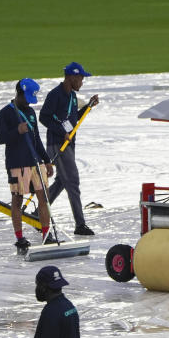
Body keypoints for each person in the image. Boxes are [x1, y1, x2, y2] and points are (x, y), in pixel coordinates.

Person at [39, 62, 100, 236]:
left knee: (62, 182)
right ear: (72, 77)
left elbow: (73, 120)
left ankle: (38, 214)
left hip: (68, 145)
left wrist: (88, 106)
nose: (82, 82)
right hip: (57, 145)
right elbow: (44, 117)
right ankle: (80, 225)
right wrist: (60, 131)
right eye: (81, 78)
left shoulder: (73, 96)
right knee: (72, 181)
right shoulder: (55, 95)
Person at [0, 79, 55, 252]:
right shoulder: (5, 113)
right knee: (18, 199)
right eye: (27, 97)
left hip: (35, 162)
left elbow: (36, 139)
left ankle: (46, 234)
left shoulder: (30, 112)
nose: (29, 102)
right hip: (17, 163)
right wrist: (16, 132)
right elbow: (0, 139)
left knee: (43, 198)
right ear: (19, 93)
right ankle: (20, 238)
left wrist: (46, 160)